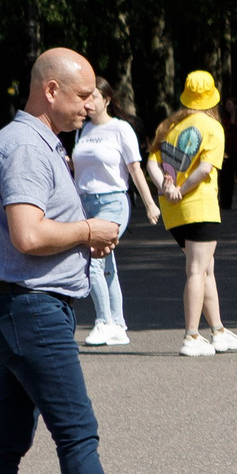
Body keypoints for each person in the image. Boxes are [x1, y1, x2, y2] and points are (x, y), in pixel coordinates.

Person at [0, 48, 199, 474]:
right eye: (82, 94)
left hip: (22, 306)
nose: (90, 104)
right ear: (50, 91)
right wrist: (89, 230)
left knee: (5, 443)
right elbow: (27, 235)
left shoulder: (37, 143)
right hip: (31, 308)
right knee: (76, 435)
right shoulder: (24, 147)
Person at [149, 71, 237, 356]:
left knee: (205, 268)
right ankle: (191, 336)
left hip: (175, 213)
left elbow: (151, 161)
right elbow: (204, 169)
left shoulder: (170, 125)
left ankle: (218, 331)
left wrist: (165, 187)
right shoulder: (213, 127)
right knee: (197, 270)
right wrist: (182, 189)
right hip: (200, 207)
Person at [72, 88, 157, 346]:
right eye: (84, 98)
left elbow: (135, 168)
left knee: (94, 261)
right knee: (107, 265)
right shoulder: (82, 131)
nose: (88, 103)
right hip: (86, 204)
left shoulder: (121, 129)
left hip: (113, 201)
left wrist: (150, 203)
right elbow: (78, 173)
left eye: (93, 97)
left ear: (107, 100)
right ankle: (117, 324)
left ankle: (103, 322)